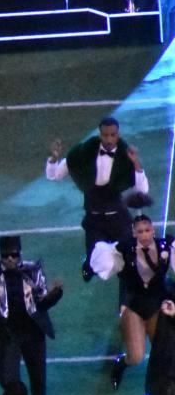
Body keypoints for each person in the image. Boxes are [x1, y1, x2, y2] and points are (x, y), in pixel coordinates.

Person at [45, 116, 148, 281]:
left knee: (131, 265)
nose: (109, 139)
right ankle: (90, 262)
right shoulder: (83, 153)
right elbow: (54, 175)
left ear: (118, 135)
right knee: (90, 268)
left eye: (112, 135)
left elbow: (142, 189)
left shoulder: (125, 156)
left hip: (119, 219)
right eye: (105, 135)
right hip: (94, 220)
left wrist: (136, 163)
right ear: (100, 135)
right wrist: (54, 158)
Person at [0, 235, 63, 395]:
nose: (10, 259)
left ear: (20, 253)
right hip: (9, 335)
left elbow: (42, 303)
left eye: (14, 255)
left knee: (38, 381)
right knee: (9, 382)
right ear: (0, 255)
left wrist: (56, 293)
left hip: (33, 332)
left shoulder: (33, 271)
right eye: (6, 256)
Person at [95, 214, 172, 391]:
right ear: (134, 233)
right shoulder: (123, 250)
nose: (144, 235)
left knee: (163, 355)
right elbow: (108, 269)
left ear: (152, 230)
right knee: (136, 357)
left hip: (157, 305)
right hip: (134, 306)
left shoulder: (166, 247)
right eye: (139, 231)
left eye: (147, 230)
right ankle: (122, 363)